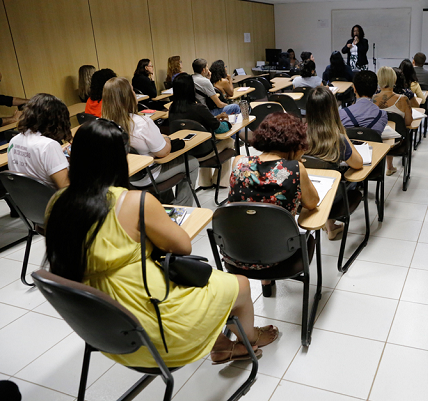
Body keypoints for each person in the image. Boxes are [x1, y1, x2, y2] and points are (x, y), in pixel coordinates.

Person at [44, 118, 279, 367]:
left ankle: (220, 346)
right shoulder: (134, 202)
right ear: (118, 158)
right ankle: (249, 339)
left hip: (104, 329)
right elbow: (182, 247)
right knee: (240, 285)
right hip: (154, 328)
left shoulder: (57, 203)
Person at [226, 112, 319, 297]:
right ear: (295, 141)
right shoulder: (294, 169)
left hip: (237, 252)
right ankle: (268, 280)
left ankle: (266, 283)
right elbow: (312, 203)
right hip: (281, 255)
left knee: (254, 219)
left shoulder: (239, 163)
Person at [101, 77, 199, 207]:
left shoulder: (103, 126)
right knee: (192, 162)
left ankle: (166, 204)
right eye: (132, 90)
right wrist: (166, 139)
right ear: (128, 96)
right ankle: (182, 207)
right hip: (149, 175)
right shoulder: (142, 123)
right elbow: (163, 152)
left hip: (127, 177)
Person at [306, 86, 363, 240]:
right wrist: (342, 133)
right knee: (348, 179)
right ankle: (331, 225)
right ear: (332, 109)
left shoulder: (299, 134)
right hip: (331, 194)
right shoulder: (337, 138)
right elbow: (358, 163)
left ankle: (329, 225)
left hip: (307, 191)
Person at [168, 73, 234, 189]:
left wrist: (213, 118)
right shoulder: (198, 108)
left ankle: (204, 182)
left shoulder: (172, 109)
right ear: (191, 89)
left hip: (185, 152)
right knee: (228, 141)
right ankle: (220, 182)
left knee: (204, 142)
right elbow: (219, 128)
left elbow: (194, 124)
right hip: (204, 152)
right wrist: (227, 123)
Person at [7, 93, 71, 189]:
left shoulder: (14, 141)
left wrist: (58, 158)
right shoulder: (49, 146)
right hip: (52, 201)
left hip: (27, 200)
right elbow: (66, 188)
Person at [373, 66, 413, 175]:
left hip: (375, 140)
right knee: (392, 131)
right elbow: (408, 123)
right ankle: (389, 167)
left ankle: (388, 166)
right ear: (394, 80)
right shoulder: (403, 99)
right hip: (397, 142)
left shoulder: (372, 99)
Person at [339, 70, 388, 135]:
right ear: (376, 89)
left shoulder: (341, 114)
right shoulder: (382, 115)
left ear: (354, 89)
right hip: (373, 145)